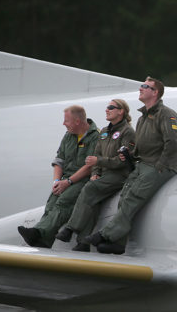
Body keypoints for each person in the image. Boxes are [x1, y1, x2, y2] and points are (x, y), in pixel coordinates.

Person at [85, 76, 177, 254]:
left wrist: (160, 165)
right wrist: (130, 155)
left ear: (155, 92)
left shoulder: (167, 114)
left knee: (133, 196)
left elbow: (172, 143)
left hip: (159, 166)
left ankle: (105, 235)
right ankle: (118, 243)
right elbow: (141, 145)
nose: (141, 88)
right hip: (142, 164)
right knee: (124, 196)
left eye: (145, 86)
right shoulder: (142, 118)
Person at [55, 99, 136, 252]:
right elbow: (96, 155)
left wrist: (99, 162)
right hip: (105, 174)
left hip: (120, 174)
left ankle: (71, 228)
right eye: (107, 107)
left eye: (111, 107)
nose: (107, 110)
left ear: (121, 111)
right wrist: (95, 173)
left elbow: (123, 161)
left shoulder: (128, 132)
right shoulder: (105, 131)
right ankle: (83, 242)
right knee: (94, 200)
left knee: (89, 189)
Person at [18, 105, 99, 248]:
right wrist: (57, 181)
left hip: (82, 179)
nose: (63, 124)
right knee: (51, 203)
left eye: (66, 121)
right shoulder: (69, 136)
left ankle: (38, 232)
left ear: (77, 121)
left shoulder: (96, 137)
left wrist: (68, 182)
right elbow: (59, 160)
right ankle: (43, 240)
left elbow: (89, 167)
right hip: (66, 178)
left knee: (64, 202)